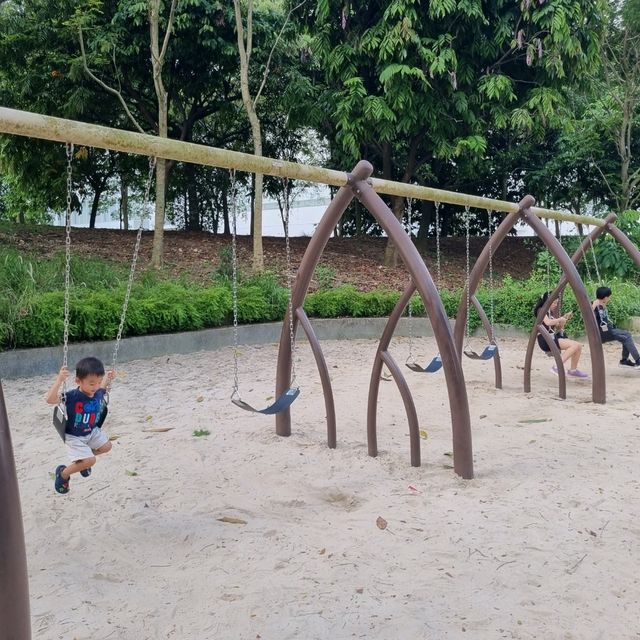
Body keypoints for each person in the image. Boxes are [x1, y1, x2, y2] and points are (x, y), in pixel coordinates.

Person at [45, 356, 115, 494]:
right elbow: (50, 399)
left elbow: (102, 387)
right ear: (78, 381)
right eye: (91, 383)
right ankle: (63, 474)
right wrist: (59, 380)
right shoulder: (72, 396)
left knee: (107, 447)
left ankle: (82, 461)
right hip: (74, 435)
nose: (96, 387)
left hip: (91, 431)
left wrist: (108, 378)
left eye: (98, 382)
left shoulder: (97, 392)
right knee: (90, 460)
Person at [533, 292, 588, 378]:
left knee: (578, 346)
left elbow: (558, 327)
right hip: (544, 339)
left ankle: (573, 370)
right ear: (547, 301)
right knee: (573, 346)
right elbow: (548, 322)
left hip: (552, 337)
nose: (555, 305)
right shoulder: (541, 310)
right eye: (554, 302)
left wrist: (564, 319)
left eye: (557, 302)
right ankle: (556, 367)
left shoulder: (550, 312)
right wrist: (559, 319)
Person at [592, 286, 640, 369]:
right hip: (604, 333)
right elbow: (588, 316)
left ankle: (624, 361)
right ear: (605, 297)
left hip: (606, 330)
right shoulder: (595, 305)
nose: (609, 299)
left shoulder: (601, 305)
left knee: (625, 337)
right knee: (627, 336)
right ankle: (638, 360)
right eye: (609, 297)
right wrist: (593, 306)